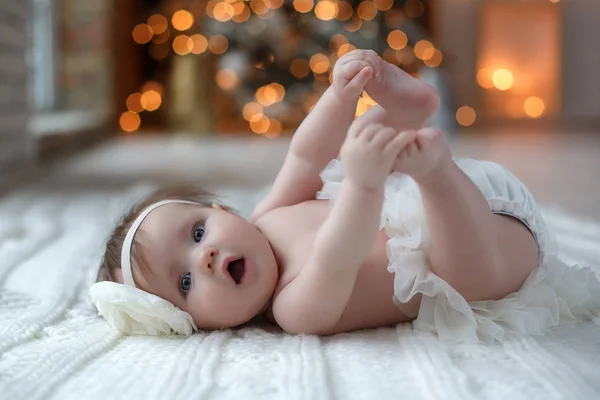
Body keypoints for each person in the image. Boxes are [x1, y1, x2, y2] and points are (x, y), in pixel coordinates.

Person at [91, 50, 600, 343]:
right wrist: (360, 185)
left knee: (366, 145)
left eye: (198, 232)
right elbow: (339, 255)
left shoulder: (269, 216)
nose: (203, 257)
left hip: (476, 194)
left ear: (221, 210)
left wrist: (340, 97)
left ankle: (406, 103)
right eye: (184, 282)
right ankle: (433, 168)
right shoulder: (293, 309)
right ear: (196, 324)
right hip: (492, 256)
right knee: (463, 279)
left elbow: (306, 157)